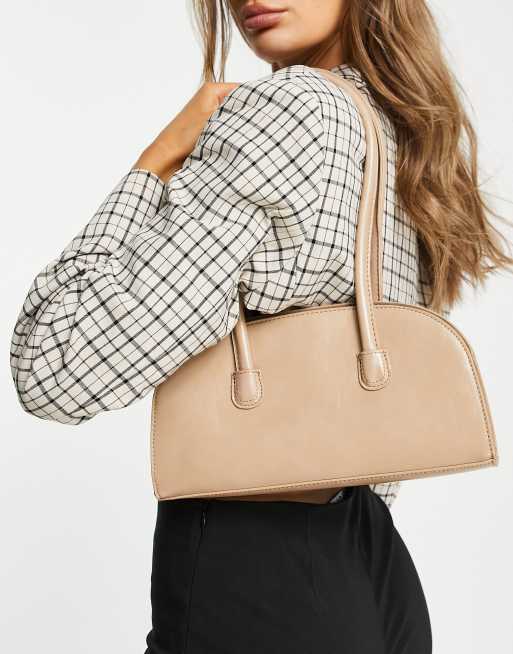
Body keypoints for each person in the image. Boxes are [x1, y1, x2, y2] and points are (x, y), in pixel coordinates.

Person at [9, 1, 512, 653]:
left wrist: (154, 161)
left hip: (258, 566)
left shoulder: (289, 110)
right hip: (372, 565)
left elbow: (57, 368)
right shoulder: (397, 131)